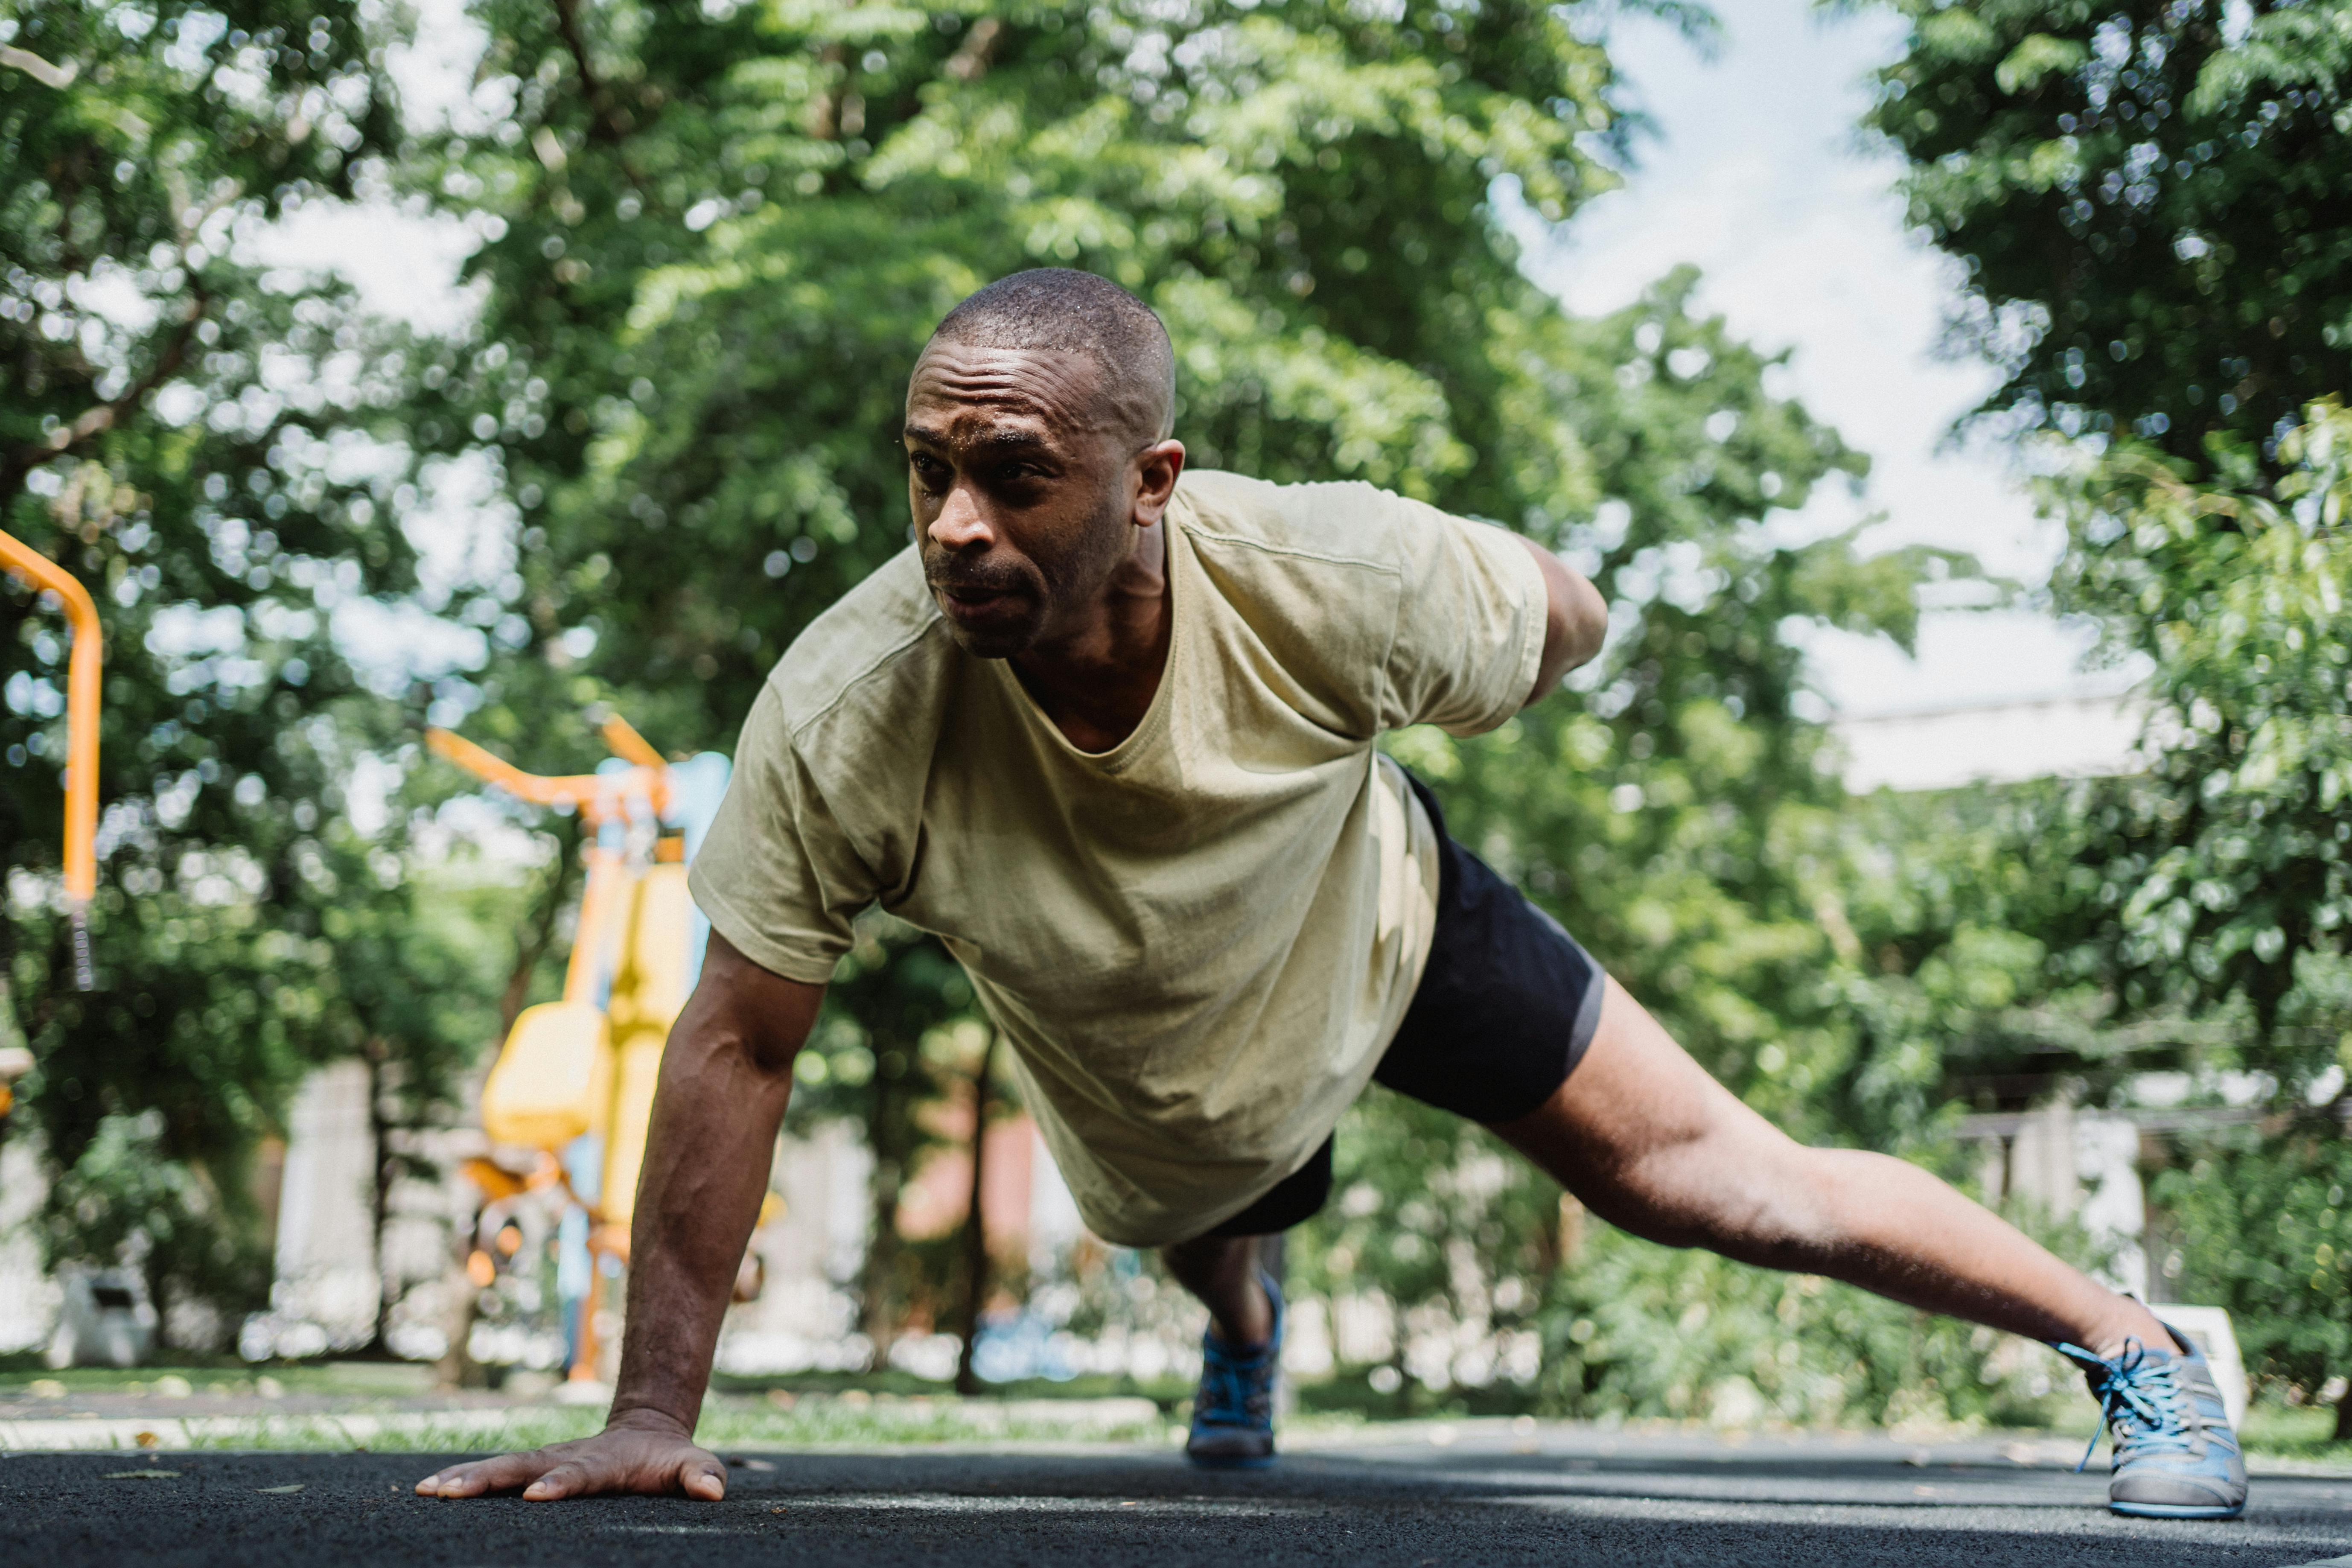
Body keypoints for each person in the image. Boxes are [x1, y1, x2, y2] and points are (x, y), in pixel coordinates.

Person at [416, 270, 2245, 1521]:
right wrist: (654, 1411)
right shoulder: (851, 703)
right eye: (927, 471)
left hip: (1377, 919)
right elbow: (735, 1039)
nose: (954, 522)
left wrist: (1522, 633)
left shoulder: (1327, 576)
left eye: (1012, 476)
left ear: (1149, 488)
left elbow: (1561, 611)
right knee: (1210, 1231)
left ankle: (2135, 1344)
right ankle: (1248, 1331)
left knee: (1703, 1178)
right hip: (1143, 1051)